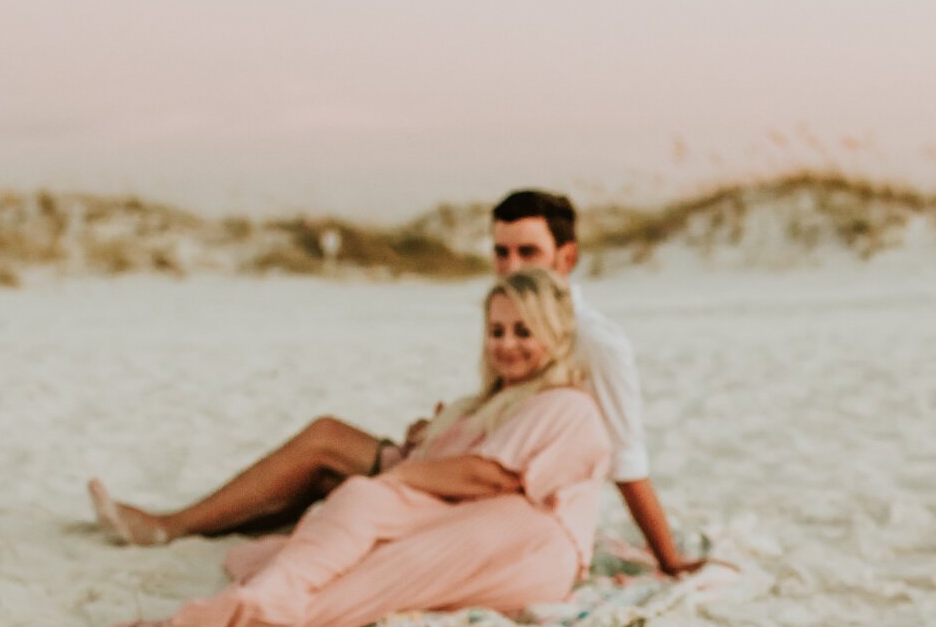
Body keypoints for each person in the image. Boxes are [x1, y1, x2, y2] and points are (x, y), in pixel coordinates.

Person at [89, 187, 700, 575]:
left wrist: (668, 559)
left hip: (496, 495)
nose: (511, 266)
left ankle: (172, 527)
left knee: (329, 448)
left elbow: (627, 456)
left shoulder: (596, 340)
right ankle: (204, 524)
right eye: (501, 253)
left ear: (566, 259)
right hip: (463, 457)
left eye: (527, 253)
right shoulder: (515, 320)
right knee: (329, 451)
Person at [102, 271, 609, 627]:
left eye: (524, 331)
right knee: (277, 550)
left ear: (555, 335)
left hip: (530, 537)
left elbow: (490, 474)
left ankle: (244, 619)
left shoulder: (565, 403)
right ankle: (263, 602)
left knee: (371, 524)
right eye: (496, 332)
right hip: (476, 515)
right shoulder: (496, 403)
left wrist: (400, 473)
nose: (507, 345)